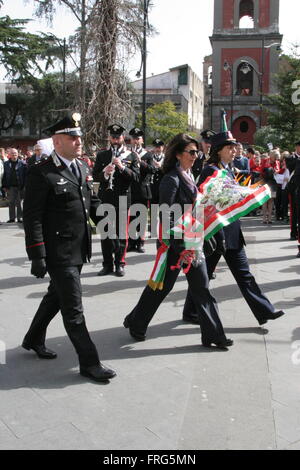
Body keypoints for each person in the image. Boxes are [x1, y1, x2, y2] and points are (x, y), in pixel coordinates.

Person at [22, 113, 116, 383]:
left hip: (78, 248)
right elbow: (33, 216)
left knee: (56, 296)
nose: (78, 141)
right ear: (57, 141)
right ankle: (90, 362)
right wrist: (37, 255)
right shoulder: (42, 172)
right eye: (72, 137)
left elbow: (91, 205)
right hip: (58, 252)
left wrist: (113, 221)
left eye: (79, 137)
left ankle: (32, 338)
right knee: (73, 308)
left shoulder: (82, 168)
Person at [123, 133, 232, 350]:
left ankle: (213, 334)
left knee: (201, 287)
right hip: (174, 245)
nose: (195, 156)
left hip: (193, 243)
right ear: (178, 154)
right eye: (191, 152)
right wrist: (181, 246)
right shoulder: (170, 180)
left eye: (197, 152)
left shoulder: (191, 174)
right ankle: (136, 322)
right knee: (161, 287)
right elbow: (165, 215)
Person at [182, 131, 285, 327]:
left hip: (232, 234)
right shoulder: (210, 171)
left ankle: (265, 311)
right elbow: (205, 203)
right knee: (201, 280)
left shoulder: (229, 169)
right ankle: (190, 311)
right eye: (229, 147)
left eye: (234, 147)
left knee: (245, 275)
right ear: (219, 150)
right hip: (214, 233)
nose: (234, 150)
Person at [93, 124, 140, 277]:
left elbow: (136, 177)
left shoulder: (131, 155)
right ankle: (107, 264)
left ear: (122, 138)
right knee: (106, 233)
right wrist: (105, 173)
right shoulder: (102, 155)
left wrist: (122, 167)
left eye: (118, 136)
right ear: (109, 138)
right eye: (112, 136)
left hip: (122, 198)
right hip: (106, 198)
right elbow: (95, 177)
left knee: (121, 233)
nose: (115, 139)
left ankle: (119, 263)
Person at [127, 127, 155, 253]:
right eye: (133, 138)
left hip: (143, 190)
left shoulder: (148, 154)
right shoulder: (126, 153)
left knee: (142, 218)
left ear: (142, 140)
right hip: (130, 190)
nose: (135, 141)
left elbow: (152, 169)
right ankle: (131, 242)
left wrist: (140, 161)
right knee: (131, 217)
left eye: (138, 138)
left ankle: (141, 242)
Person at [2, 147, 27, 223]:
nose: (14, 155)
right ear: (9, 155)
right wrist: (4, 186)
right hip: (10, 187)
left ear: (18, 154)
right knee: (11, 202)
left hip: (20, 186)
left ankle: (20, 218)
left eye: (15, 153)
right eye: (12, 153)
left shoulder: (22, 163)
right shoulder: (6, 164)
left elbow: (25, 175)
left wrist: (24, 185)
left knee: (19, 203)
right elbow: (4, 175)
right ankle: (12, 218)